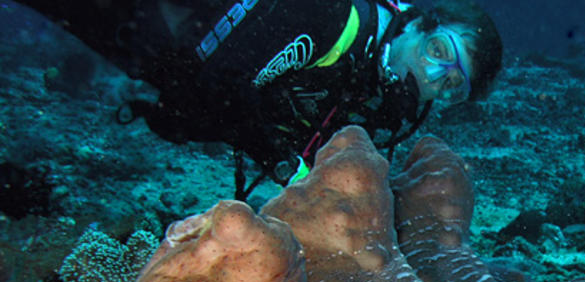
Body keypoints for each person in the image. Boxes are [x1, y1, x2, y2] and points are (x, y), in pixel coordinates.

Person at [20, 0, 502, 194]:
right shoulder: (337, 21)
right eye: (440, 53)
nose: (435, 79)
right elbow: (221, 86)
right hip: (148, 19)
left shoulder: (369, 88)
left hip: (150, 53)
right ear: (417, 23)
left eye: (453, 87)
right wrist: (286, 164)